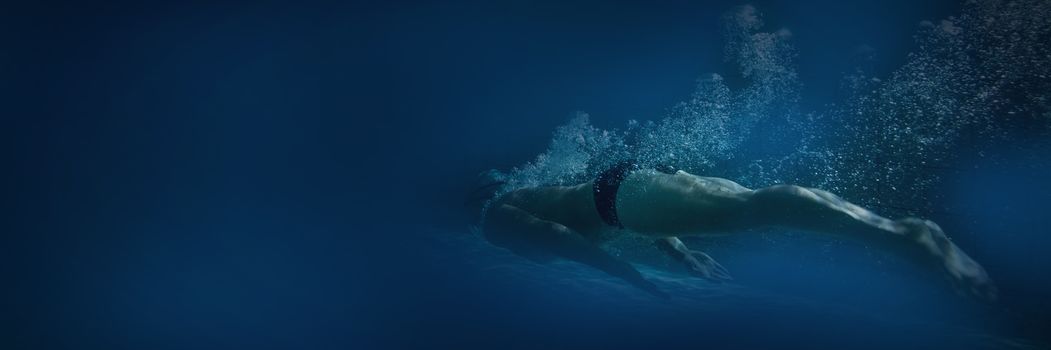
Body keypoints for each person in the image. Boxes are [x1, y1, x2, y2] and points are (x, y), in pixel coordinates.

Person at [471, 162, 996, 302]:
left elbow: (569, 240)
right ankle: (894, 232)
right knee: (750, 206)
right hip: (626, 190)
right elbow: (625, 213)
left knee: (754, 208)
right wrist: (681, 256)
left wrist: (635, 280)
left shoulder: (499, 220)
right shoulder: (524, 197)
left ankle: (902, 234)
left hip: (621, 196)